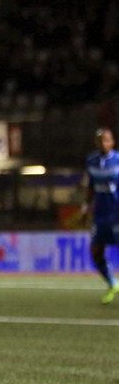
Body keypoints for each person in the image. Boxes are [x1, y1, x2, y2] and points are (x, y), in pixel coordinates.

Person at [84, 127, 119, 304]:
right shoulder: (91, 161)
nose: (103, 143)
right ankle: (113, 284)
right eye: (100, 140)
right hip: (100, 215)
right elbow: (90, 187)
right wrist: (85, 209)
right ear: (96, 143)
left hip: (117, 214)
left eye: (106, 140)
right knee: (96, 253)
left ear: (112, 142)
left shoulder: (118, 160)